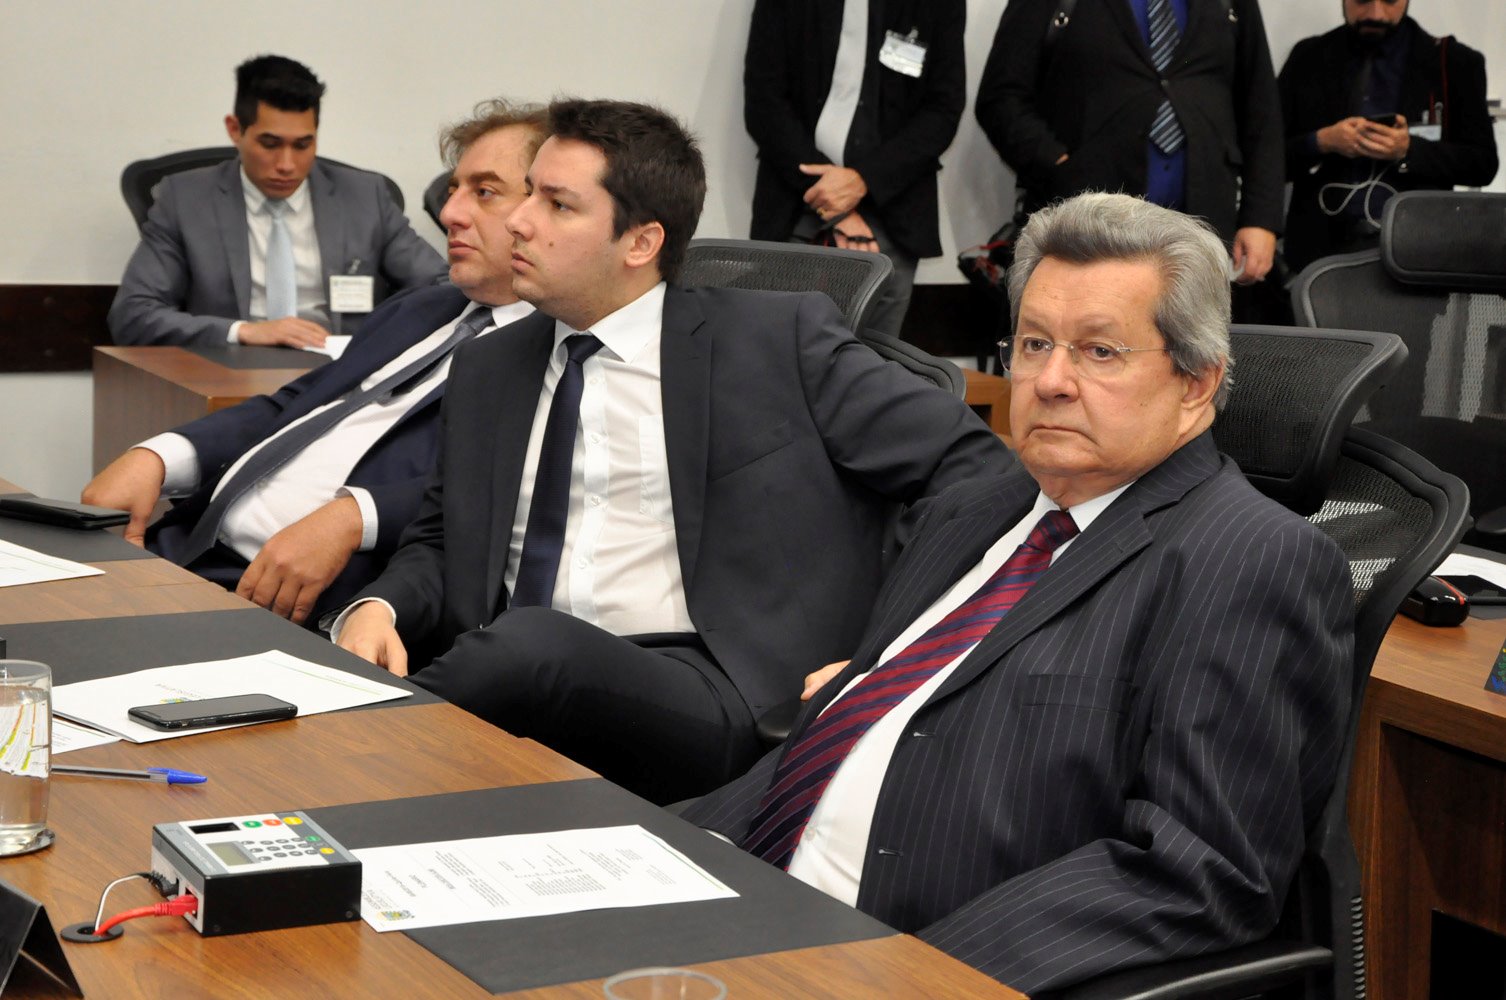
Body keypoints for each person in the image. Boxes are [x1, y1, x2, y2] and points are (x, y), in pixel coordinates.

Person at [682, 192, 1354, 994]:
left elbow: (1199, 867)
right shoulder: (976, 507)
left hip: (901, 957)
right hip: (747, 898)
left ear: (1195, 384)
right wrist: (666, 849)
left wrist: (920, 981)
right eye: (1035, 344)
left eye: (1100, 352)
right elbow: (862, 722)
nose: (1051, 381)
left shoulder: (1251, 561)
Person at [333, 98, 1009, 805]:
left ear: (640, 243)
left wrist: (888, 651)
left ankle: (346, 752)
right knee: (511, 652)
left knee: (532, 647)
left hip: (714, 688)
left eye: (557, 204)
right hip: (510, 684)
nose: (520, 221)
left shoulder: (775, 341)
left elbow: (977, 471)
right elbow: (442, 538)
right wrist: (378, 607)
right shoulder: (490, 365)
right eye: (528, 192)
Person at [82, 100, 548, 626]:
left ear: (548, 207)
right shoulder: (422, 307)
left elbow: (506, 485)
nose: (448, 214)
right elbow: (295, 405)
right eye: (454, 189)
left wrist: (356, 516)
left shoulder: (555, 353)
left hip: (306, 603)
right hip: (189, 546)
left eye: (484, 192)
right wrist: (159, 456)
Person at [108, 54, 446, 348]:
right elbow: (133, 315)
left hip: (341, 375)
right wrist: (243, 332)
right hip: (228, 372)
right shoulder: (185, 200)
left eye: (302, 145)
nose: (286, 164)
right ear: (235, 129)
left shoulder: (365, 197)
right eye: (269, 144)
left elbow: (442, 287)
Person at [974, 0, 1283, 287]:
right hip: (1081, 233)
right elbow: (1001, 98)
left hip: (1203, 234)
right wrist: (1059, 166)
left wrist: (1260, 218)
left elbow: (1262, 111)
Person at [742, 0, 966, 337]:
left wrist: (863, 180)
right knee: (778, 353)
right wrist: (832, 200)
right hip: (796, 203)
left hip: (893, 215)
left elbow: (944, 109)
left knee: (872, 364)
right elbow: (764, 101)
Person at [1278, 0, 1499, 272]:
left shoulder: (1454, 63)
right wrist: (1321, 142)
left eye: (1389, 0)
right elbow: (1266, 159)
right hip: (1318, 255)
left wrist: (1409, 150)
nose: (1376, 13)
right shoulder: (1308, 58)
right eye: (1362, 0)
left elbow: (1483, 165)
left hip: (1418, 254)